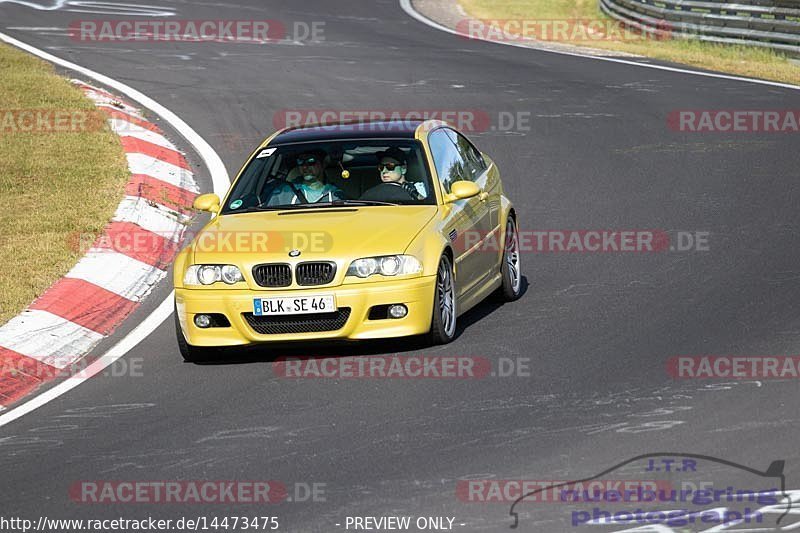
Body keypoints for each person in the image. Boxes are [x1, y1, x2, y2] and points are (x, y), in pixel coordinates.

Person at [267, 150, 345, 205]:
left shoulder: (337, 195)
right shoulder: (283, 193)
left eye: (311, 161)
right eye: (300, 162)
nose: (305, 167)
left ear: (323, 164)